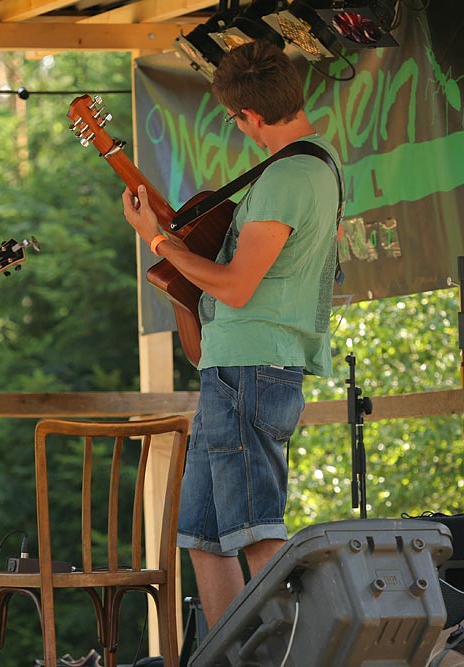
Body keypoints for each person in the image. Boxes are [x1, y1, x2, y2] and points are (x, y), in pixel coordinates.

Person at [121, 41, 342, 628]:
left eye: (236, 120)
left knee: (254, 530)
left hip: (251, 368)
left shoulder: (287, 177)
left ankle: (296, 651)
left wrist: (159, 242)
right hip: (239, 367)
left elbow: (237, 286)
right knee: (203, 532)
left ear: (249, 117)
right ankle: (229, 654)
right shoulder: (312, 165)